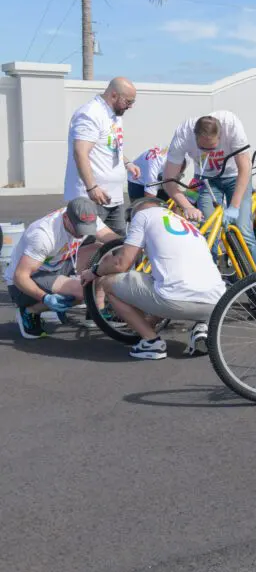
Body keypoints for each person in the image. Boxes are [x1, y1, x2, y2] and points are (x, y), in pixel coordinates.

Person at [84, 196, 226, 360]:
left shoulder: (142, 216)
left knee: (108, 283)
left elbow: (120, 264)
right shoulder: (186, 224)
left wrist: (94, 271)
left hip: (176, 301)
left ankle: (151, 342)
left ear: (137, 211)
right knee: (176, 283)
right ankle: (201, 328)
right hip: (217, 305)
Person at [5, 198, 118, 339]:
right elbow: (20, 277)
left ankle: (96, 311)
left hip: (59, 264)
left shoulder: (87, 216)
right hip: (25, 281)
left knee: (105, 253)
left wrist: (139, 247)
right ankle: (30, 311)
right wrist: (45, 298)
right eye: (78, 228)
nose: (82, 234)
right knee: (83, 292)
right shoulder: (43, 235)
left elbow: (115, 240)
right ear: (65, 218)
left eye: (86, 228)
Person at [161, 111, 256, 264]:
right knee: (208, 232)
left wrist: (234, 206)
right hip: (206, 180)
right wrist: (187, 207)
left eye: (212, 148)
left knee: (242, 230)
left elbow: (245, 168)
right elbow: (168, 179)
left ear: (221, 136)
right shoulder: (183, 133)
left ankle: (254, 283)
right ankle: (211, 281)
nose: (209, 152)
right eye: (203, 148)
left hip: (235, 176)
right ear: (195, 136)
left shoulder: (231, 124)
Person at [63, 77, 140, 236]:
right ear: (113, 95)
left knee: (117, 248)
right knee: (88, 248)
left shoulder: (114, 115)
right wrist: (92, 187)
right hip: (91, 199)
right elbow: (80, 152)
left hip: (113, 198)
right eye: (128, 101)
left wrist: (127, 163)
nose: (131, 106)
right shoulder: (90, 114)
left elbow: (110, 146)